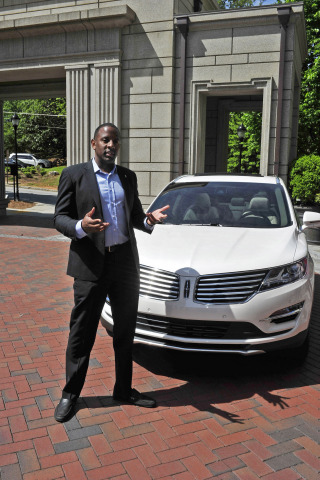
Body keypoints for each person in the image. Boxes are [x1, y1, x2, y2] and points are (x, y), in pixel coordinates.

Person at [53, 123, 169, 422]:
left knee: (125, 330)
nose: (111, 145)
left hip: (124, 265)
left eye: (115, 141)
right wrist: (81, 227)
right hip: (91, 266)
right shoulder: (74, 175)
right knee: (82, 331)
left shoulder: (127, 177)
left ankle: (123, 389)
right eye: (106, 140)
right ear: (94, 143)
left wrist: (149, 220)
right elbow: (60, 218)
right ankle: (70, 393)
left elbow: (134, 216)